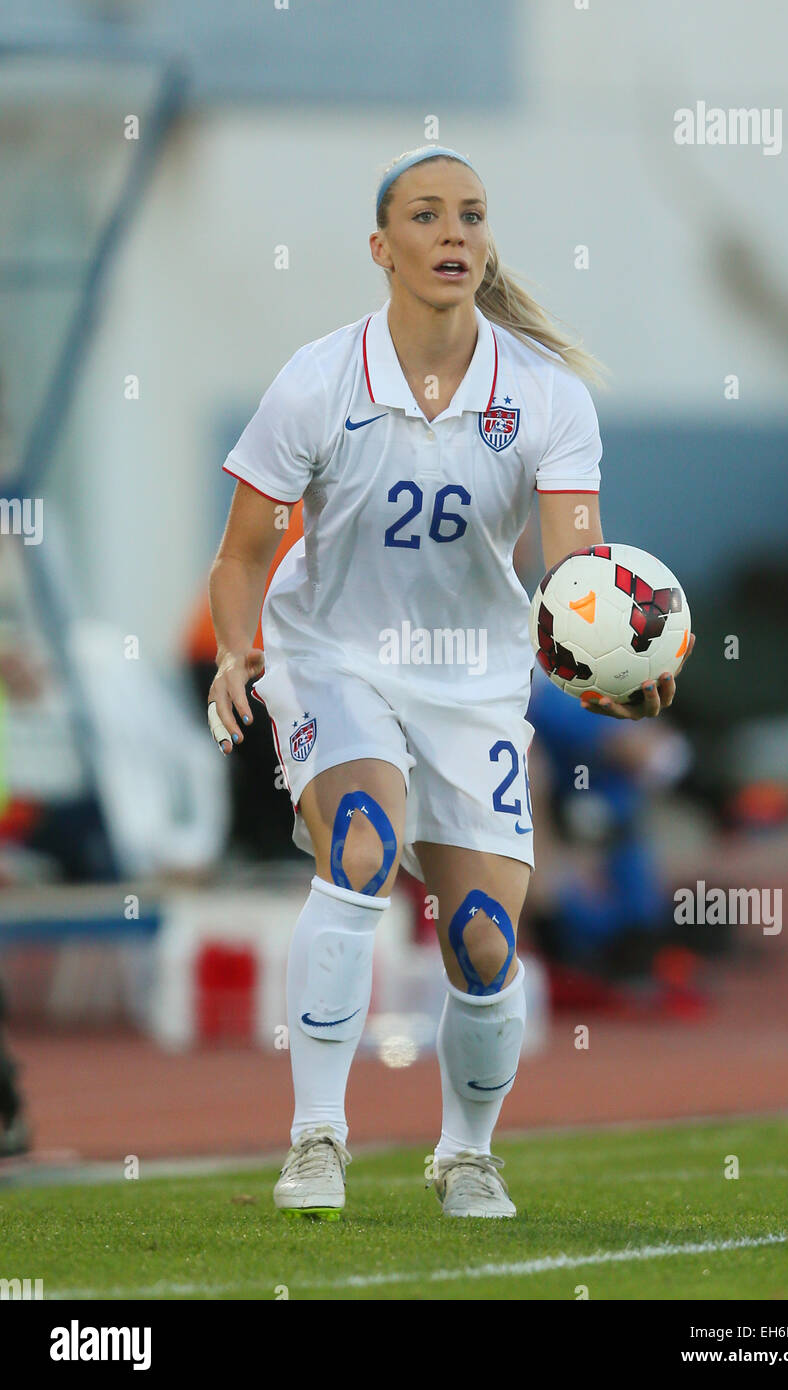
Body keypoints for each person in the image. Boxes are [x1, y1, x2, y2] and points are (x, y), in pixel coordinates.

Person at [206, 146, 694, 1220]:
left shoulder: (544, 395)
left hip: (472, 681)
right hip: (329, 655)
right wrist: (237, 651)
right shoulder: (317, 381)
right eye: (425, 216)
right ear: (381, 249)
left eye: (470, 215)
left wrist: (604, 677)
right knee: (362, 845)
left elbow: (576, 577)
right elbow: (241, 554)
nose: (453, 233)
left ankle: (464, 1153)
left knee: (481, 934)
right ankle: (315, 1137)